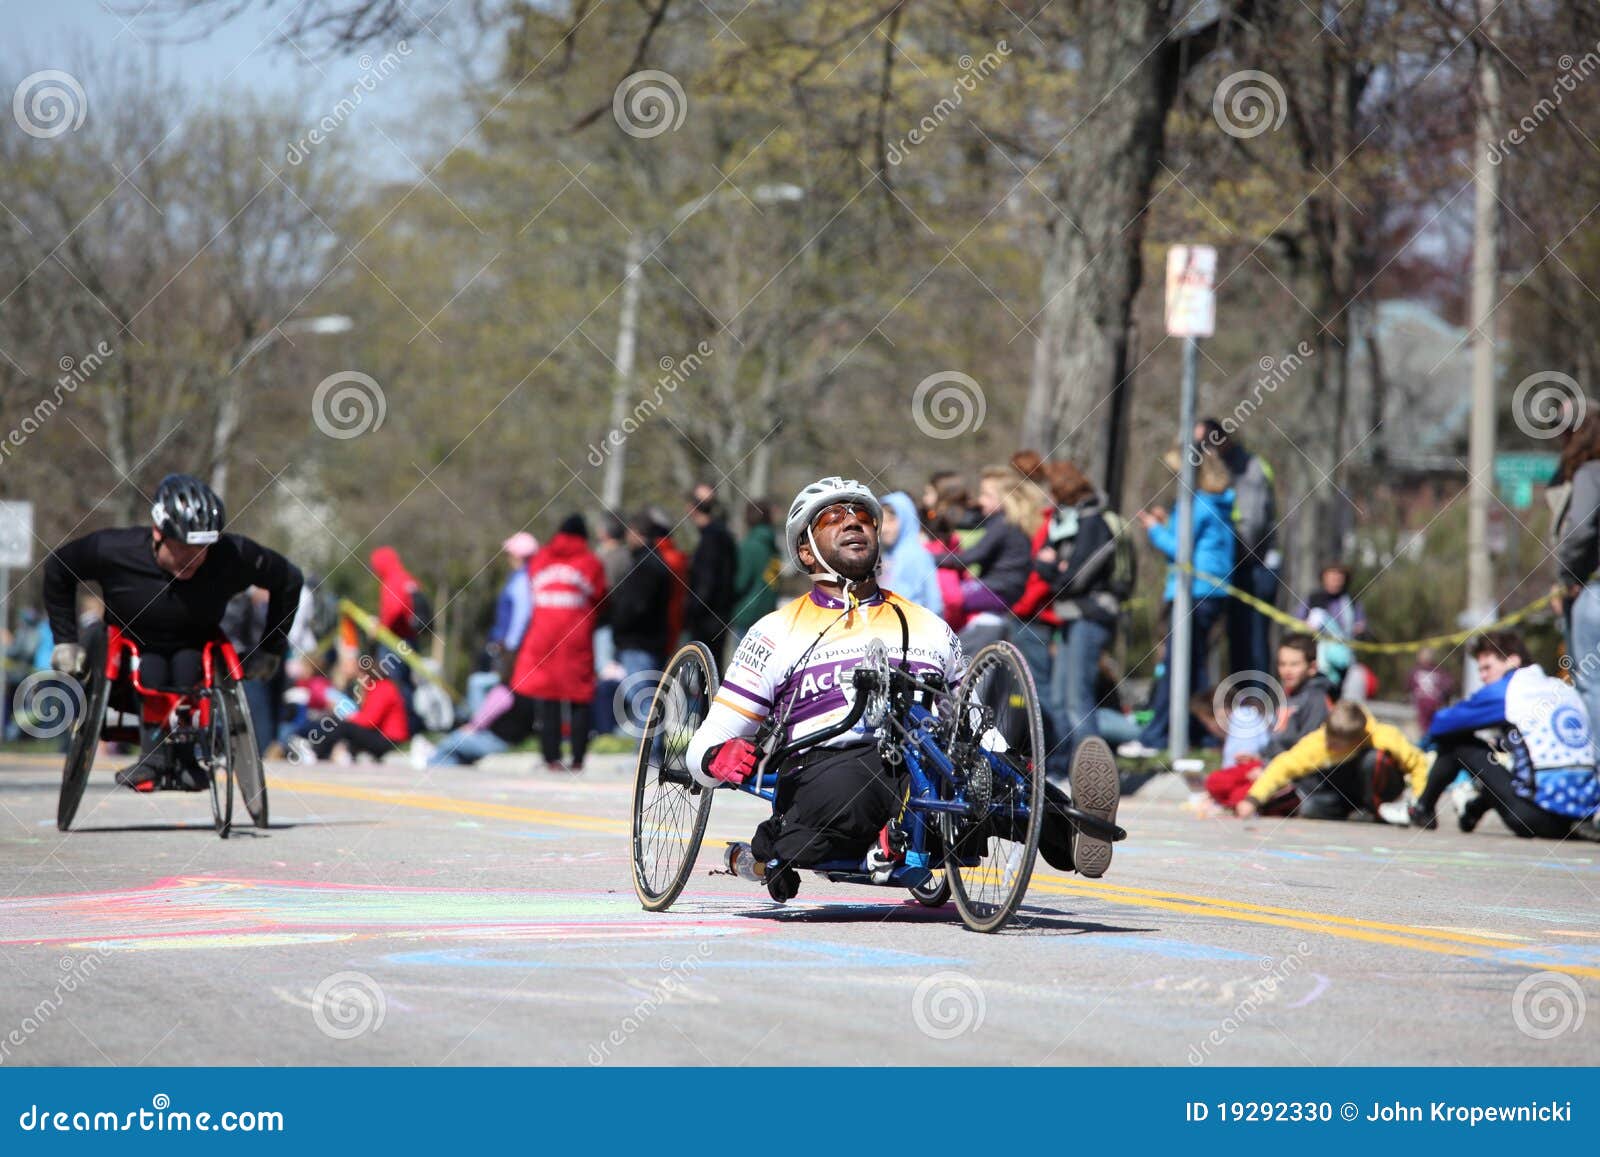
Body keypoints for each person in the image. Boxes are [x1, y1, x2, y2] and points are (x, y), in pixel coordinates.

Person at [684, 476, 1122, 902]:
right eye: (834, 516)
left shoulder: (928, 625)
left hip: (929, 766)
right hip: (832, 765)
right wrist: (714, 757)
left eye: (863, 517)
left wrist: (1005, 760)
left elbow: (970, 715)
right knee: (852, 790)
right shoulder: (775, 631)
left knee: (995, 780)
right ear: (806, 548)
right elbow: (714, 733)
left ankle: (1079, 832)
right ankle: (791, 847)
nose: (854, 522)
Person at [42, 473, 303, 790]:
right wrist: (65, 640)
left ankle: (186, 758)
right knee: (151, 664)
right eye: (181, 548)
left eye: (201, 548)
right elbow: (58, 568)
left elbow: (289, 580)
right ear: (158, 533)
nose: (192, 558)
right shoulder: (114, 549)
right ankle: (154, 757)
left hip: (194, 647)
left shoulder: (232, 556)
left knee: (184, 662)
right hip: (128, 650)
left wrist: (271, 648)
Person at [1408, 632, 1600, 839]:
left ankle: (1422, 808)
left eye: (1487, 667)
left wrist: (1420, 749)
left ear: (1513, 660)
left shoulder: (1509, 689)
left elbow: (1441, 723)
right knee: (1509, 759)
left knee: (1458, 742)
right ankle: (1474, 808)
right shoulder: (1561, 687)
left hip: (1535, 817)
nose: (1482, 676)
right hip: (1582, 819)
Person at [1011, 450, 1121, 779]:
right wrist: (1054, 567)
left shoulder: (1093, 523)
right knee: (1058, 700)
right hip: (1072, 618)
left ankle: (1093, 773)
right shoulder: (1071, 522)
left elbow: (1074, 579)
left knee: (1077, 700)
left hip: (1090, 617)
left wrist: (1047, 566)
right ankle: (1060, 767)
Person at [1121, 448, 1235, 757]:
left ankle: (1155, 736)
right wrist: (1166, 523)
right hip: (1212, 593)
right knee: (1193, 666)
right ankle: (1203, 732)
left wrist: (1154, 530)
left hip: (1194, 591)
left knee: (1175, 665)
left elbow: (1181, 550)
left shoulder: (1196, 504)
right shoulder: (1217, 503)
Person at [490, 514, 607, 773]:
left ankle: (551, 758)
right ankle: (577, 759)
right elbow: (601, 598)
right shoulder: (590, 562)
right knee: (579, 697)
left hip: (543, 637)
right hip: (576, 638)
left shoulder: (541, 559)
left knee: (548, 695)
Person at [1235, 700, 1429, 822]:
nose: (1328, 745)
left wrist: (1422, 803)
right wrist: (1253, 799)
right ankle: (1356, 812)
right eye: (1328, 738)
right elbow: (1282, 766)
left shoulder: (1384, 736)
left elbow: (1418, 764)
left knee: (1373, 760)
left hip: (1383, 789)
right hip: (1346, 795)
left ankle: (1377, 810)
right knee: (1310, 807)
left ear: (1356, 739)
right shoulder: (1320, 741)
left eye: (1335, 744)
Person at [1204, 634, 1334, 809]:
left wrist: (1268, 770)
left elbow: (1306, 752)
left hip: (1293, 777)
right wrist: (1258, 758)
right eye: (1282, 664)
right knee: (1216, 782)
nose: (1287, 670)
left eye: (1294, 664)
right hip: (1268, 764)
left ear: (1311, 667)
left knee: (1239, 797)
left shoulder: (1316, 699)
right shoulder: (1288, 695)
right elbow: (1277, 742)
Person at [1196, 419, 1280, 677]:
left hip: (1253, 567)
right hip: (1233, 566)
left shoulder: (1249, 469)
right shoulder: (1220, 469)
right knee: (1235, 643)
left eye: (1205, 444)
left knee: (1251, 644)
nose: (1202, 450)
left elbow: (1251, 526)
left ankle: (1257, 706)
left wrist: (1224, 553)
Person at [1552, 412, 1600, 733]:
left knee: (1590, 684)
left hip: (1592, 589)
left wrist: (1568, 577)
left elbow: (1581, 529)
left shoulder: (1591, 473)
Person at [608, 511, 675, 729]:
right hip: (651, 639)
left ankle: (648, 757)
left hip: (640, 641)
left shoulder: (645, 564)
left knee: (644, 700)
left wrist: (619, 625)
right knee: (650, 698)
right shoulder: (655, 561)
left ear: (637, 533)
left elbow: (637, 606)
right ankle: (649, 755)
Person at [307, 653, 411, 763]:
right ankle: (325, 752)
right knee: (335, 723)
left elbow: (369, 721)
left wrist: (350, 717)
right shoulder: (376, 688)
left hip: (391, 740)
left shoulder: (383, 688)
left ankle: (316, 752)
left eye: (361, 675)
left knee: (344, 727)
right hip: (382, 736)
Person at [686, 493, 738, 662]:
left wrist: (693, 609)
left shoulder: (711, 538)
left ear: (692, 510)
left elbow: (707, 581)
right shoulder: (723, 535)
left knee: (705, 669)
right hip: (721, 613)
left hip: (708, 618)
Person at [876, 491, 943, 616]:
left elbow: (934, 603)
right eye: (882, 521)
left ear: (906, 519)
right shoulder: (886, 556)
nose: (884, 528)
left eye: (891, 521)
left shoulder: (918, 556)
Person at [731, 499, 783, 642]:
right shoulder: (773, 548)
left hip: (747, 615)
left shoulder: (749, 546)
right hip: (769, 613)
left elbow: (740, 583)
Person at [1408, 645, 1456, 734]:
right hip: (1421, 711)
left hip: (1434, 711)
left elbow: (1448, 687)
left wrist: (1441, 699)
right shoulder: (1416, 671)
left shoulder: (1438, 671)